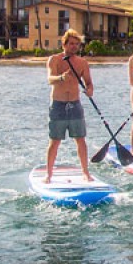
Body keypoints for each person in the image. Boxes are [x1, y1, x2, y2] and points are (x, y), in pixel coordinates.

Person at [44, 29, 93, 183]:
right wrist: (61, 77)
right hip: (58, 105)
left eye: (76, 44)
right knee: (54, 141)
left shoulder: (82, 62)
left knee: (80, 139)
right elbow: (50, 79)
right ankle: (49, 175)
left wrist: (89, 90)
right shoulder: (54, 60)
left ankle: (85, 173)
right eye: (71, 43)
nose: (73, 47)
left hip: (75, 104)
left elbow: (89, 83)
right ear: (64, 44)